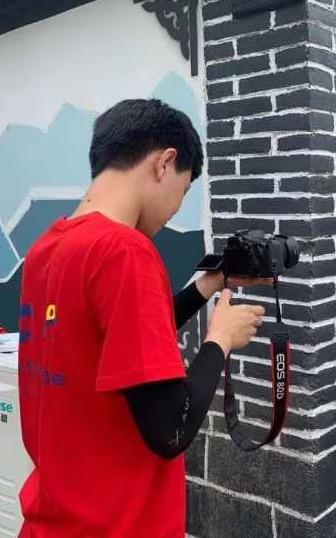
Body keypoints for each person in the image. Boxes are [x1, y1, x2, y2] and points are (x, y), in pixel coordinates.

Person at [17, 99, 266, 537]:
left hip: (53, 521)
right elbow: (170, 429)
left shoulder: (47, 249)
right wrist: (219, 340)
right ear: (164, 163)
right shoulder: (126, 251)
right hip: (120, 525)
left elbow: (121, 344)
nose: (175, 210)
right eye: (183, 191)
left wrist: (205, 287)